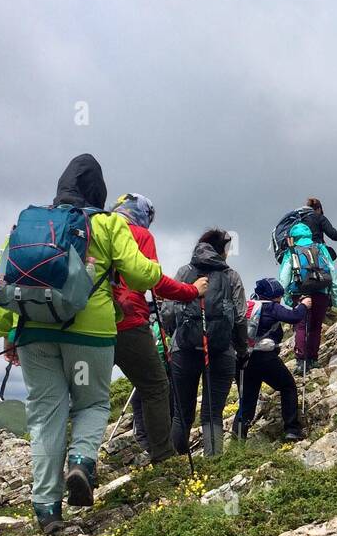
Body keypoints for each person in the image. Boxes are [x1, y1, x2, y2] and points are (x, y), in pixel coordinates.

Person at [0, 155, 195, 534]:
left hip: (34, 333)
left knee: (46, 414)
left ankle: (47, 510)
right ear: (97, 191)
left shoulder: (28, 226)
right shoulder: (106, 224)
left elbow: (2, 285)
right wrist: (152, 272)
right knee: (93, 401)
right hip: (91, 333)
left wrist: (8, 335)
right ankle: (82, 462)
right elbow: (140, 273)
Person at [109, 192, 208, 463]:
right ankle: (163, 458)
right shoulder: (140, 235)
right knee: (155, 386)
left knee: (90, 399)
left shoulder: (94, 229)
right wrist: (191, 290)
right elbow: (153, 280)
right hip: (128, 321)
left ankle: (81, 466)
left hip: (87, 325)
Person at [167, 228, 248, 457]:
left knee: (181, 413)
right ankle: (213, 462)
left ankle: (178, 465)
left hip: (184, 349)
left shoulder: (185, 271)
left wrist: (175, 334)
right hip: (221, 351)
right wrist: (241, 350)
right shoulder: (231, 276)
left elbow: (168, 311)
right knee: (212, 413)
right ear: (221, 250)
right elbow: (241, 318)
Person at [234, 278, 310, 441]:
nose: (281, 299)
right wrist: (304, 305)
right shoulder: (271, 307)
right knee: (287, 386)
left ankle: (238, 439)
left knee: (247, 400)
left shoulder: (247, 306)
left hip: (242, 359)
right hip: (265, 357)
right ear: (274, 295)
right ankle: (292, 430)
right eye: (279, 296)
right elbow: (294, 317)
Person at [279, 220, 337, 374]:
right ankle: (313, 359)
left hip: (300, 293)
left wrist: (286, 297)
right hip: (321, 291)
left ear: (293, 237)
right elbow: (332, 271)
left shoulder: (291, 252)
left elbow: (284, 277)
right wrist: (335, 295)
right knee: (315, 327)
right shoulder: (320, 248)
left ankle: (301, 361)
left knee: (300, 326)